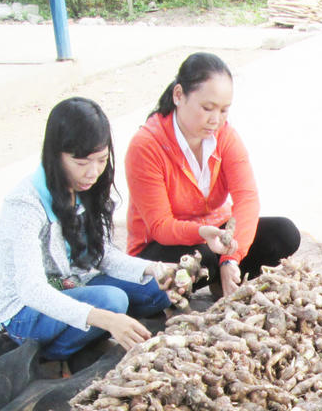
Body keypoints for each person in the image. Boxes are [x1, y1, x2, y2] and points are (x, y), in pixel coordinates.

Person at [0, 97, 184, 360]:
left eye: (101, 160)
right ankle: (52, 353)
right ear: (55, 155)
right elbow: (32, 290)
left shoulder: (88, 188)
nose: (93, 172)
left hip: (73, 282)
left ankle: (95, 326)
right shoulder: (25, 204)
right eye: (82, 163)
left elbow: (103, 256)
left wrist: (154, 268)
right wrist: (105, 318)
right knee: (113, 302)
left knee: (158, 287)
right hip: (26, 310)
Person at [125, 52, 301, 299]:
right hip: (162, 246)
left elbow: (247, 199)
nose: (215, 120)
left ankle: (226, 276)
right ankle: (195, 282)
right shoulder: (146, 145)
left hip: (215, 237)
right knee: (203, 258)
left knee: (284, 233)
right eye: (207, 108)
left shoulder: (226, 136)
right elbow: (160, 226)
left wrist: (231, 258)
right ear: (178, 95)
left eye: (224, 110)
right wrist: (201, 233)